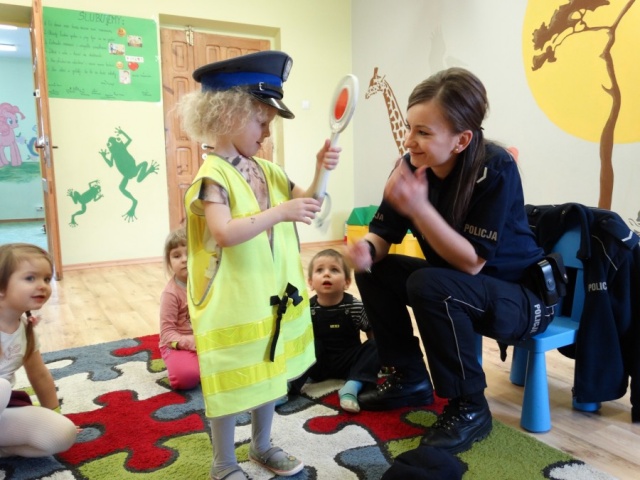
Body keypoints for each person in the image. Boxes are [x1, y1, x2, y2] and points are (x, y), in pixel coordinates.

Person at [345, 67, 556, 454]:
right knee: (377, 272)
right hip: (460, 289)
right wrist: (366, 251)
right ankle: (409, 377)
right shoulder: (412, 166)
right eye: (409, 128)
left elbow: (472, 262)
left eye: (424, 132)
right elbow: (383, 234)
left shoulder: (495, 168)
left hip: (523, 300)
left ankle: (470, 406)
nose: (409, 140)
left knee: (430, 284)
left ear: (462, 140)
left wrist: (420, 208)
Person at [178, 51, 341, 480]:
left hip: (269, 297)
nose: (267, 133)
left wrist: (321, 171)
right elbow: (224, 232)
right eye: (260, 121)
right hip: (232, 300)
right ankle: (223, 463)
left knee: (269, 369)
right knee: (231, 381)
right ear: (227, 114)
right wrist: (281, 212)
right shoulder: (212, 176)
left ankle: (262, 445)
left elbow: (309, 201)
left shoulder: (268, 170)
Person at [0, 243, 77, 457]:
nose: (42, 285)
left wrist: (55, 413)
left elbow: (39, 375)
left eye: (46, 278)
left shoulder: (25, 329)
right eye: (30, 278)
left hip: (4, 408)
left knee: (63, 433)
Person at [291, 248, 379, 413]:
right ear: (310, 282)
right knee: (310, 345)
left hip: (349, 364)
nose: (326, 274)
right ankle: (290, 389)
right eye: (320, 270)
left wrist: (375, 357)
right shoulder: (308, 309)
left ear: (347, 282)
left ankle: (352, 387)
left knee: (377, 344)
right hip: (318, 365)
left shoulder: (355, 306)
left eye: (334, 270)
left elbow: (370, 330)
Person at [158, 227, 200, 390]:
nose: (184, 259)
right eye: (177, 256)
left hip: (206, 341)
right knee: (186, 377)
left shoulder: (208, 284)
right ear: (169, 263)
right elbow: (167, 333)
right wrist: (189, 342)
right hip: (177, 344)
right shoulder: (170, 294)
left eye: (189, 253)